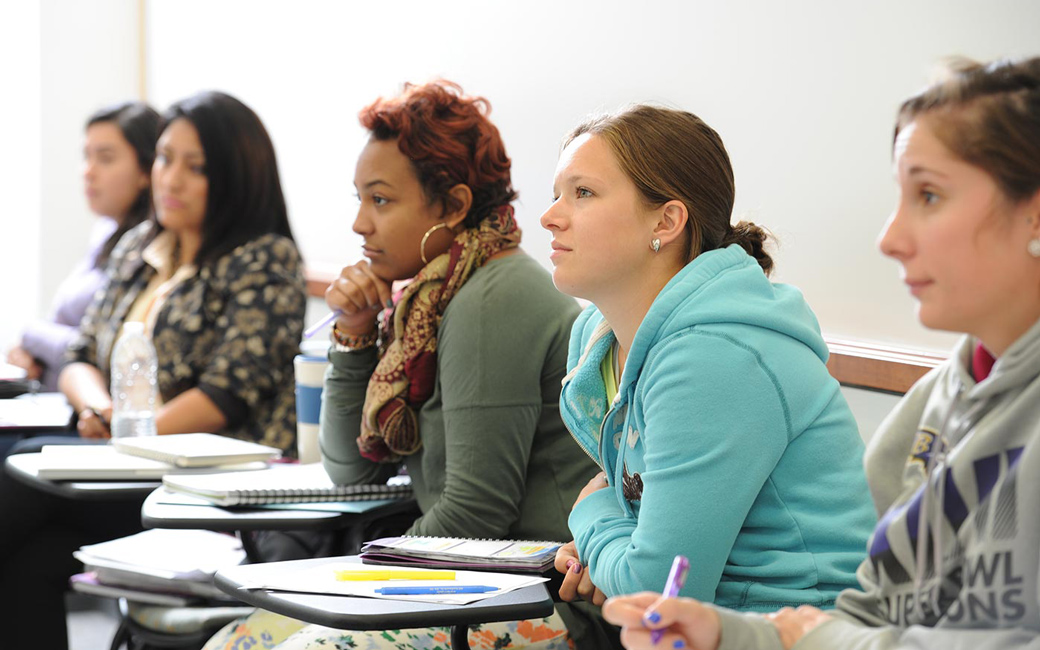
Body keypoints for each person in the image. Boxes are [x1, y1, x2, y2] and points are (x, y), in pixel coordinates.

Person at [601, 56, 1040, 650]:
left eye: (930, 195)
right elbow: (873, 612)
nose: (890, 239)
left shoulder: (716, 352)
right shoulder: (936, 404)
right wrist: (731, 634)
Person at [203, 81, 615, 650]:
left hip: (541, 598)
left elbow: (475, 512)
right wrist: (352, 335)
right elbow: (351, 469)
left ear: (454, 206)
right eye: (360, 200)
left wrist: (346, 579)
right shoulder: (426, 302)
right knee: (236, 640)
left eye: (381, 200)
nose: (360, 225)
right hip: (468, 581)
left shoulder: (491, 297)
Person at [0, 90, 307, 650]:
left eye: (197, 167)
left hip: (201, 485)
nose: (171, 179)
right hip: (120, 465)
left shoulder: (264, 257)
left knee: (15, 465)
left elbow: (225, 395)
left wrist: (128, 433)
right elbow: (80, 353)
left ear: (237, 177)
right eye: (165, 158)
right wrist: (98, 408)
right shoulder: (141, 244)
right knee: (31, 559)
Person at [540, 105, 876, 612]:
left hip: (796, 631)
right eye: (556, 194)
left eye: (583, 193)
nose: (550, 216)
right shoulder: (599, 337)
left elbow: (660, 593)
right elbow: (649, 554)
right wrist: (607, 546)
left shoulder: (713, 356)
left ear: (666, 220)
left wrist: (591, 517)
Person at [5, 101, 159, 393]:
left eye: (105, 158)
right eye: (86, 156)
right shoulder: (105, 232)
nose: (88, 171)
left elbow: (103, 348)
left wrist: (31, 335)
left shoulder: (149, 250)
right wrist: (28, 353)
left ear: (145, 170)